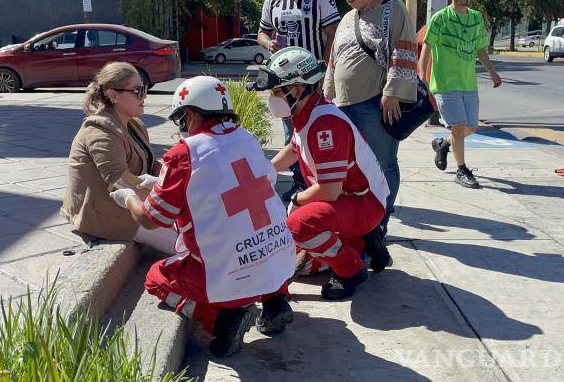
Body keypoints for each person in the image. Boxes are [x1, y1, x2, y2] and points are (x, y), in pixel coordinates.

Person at [110, 76, 295, 358]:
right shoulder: (245, 139)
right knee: (254, 236)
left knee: (155, 278)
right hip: (275, 261)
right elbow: (221, 184)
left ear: (192, 113)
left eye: (182, 118)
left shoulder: (184, 154)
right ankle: (276, 302)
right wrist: (159, 182)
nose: (183, 126)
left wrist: (130, 198)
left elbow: (150, 220)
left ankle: (222, 320)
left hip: (227, 275)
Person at [248, 47, 393, 300]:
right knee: (297, 242)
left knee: (299, 225)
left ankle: (351, 270)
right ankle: (365, 240)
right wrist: (264, 173)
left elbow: (329, 190)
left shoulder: (325, 125)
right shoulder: (308, 112)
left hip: (362, 201)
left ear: (299, 88)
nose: (273, 97)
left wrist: (295, 200)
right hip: (357, 196)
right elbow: (294, 149)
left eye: (278, 91)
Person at [325, 0, 418, 239]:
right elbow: (334, 61)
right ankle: (358, 223)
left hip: (375, 105)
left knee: (383, 165)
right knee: (351, 170)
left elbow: (404, 49)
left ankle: (379, 225)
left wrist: (392, 93)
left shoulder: (392, 10)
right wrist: (327, 96)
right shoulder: (346, 19)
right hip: (343, 108)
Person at [61, 61, 176, 254]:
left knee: (195, 228)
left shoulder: (134, 124)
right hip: (108, 213)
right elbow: (120, 182)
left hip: (132, 202)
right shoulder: (99, 131)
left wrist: (173, 178)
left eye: (144, 88)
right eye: (137, 90)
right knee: (187, 246)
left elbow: (149, 164)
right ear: (113, 95)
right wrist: (166, 196)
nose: (144, 96)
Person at [257, 0, 341, 203]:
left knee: (315, 127)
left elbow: (333, 34)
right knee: (290, 133)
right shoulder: (272, 0)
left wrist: (324, 69)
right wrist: (267, 44)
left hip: (311, 78)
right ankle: (300, 181)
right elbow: (262, 33)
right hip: (284, 81)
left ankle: (320, 181)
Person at [419, 0, 502, 189]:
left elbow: (480, 49)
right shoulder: (440, 19)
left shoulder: (475, 18)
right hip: (446, 84)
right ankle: (462, 170)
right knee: (458, 126)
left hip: (468, 83)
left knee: (471, 127)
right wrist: (421, 78)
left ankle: (443, 145)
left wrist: (492, 72)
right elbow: (426, 49)